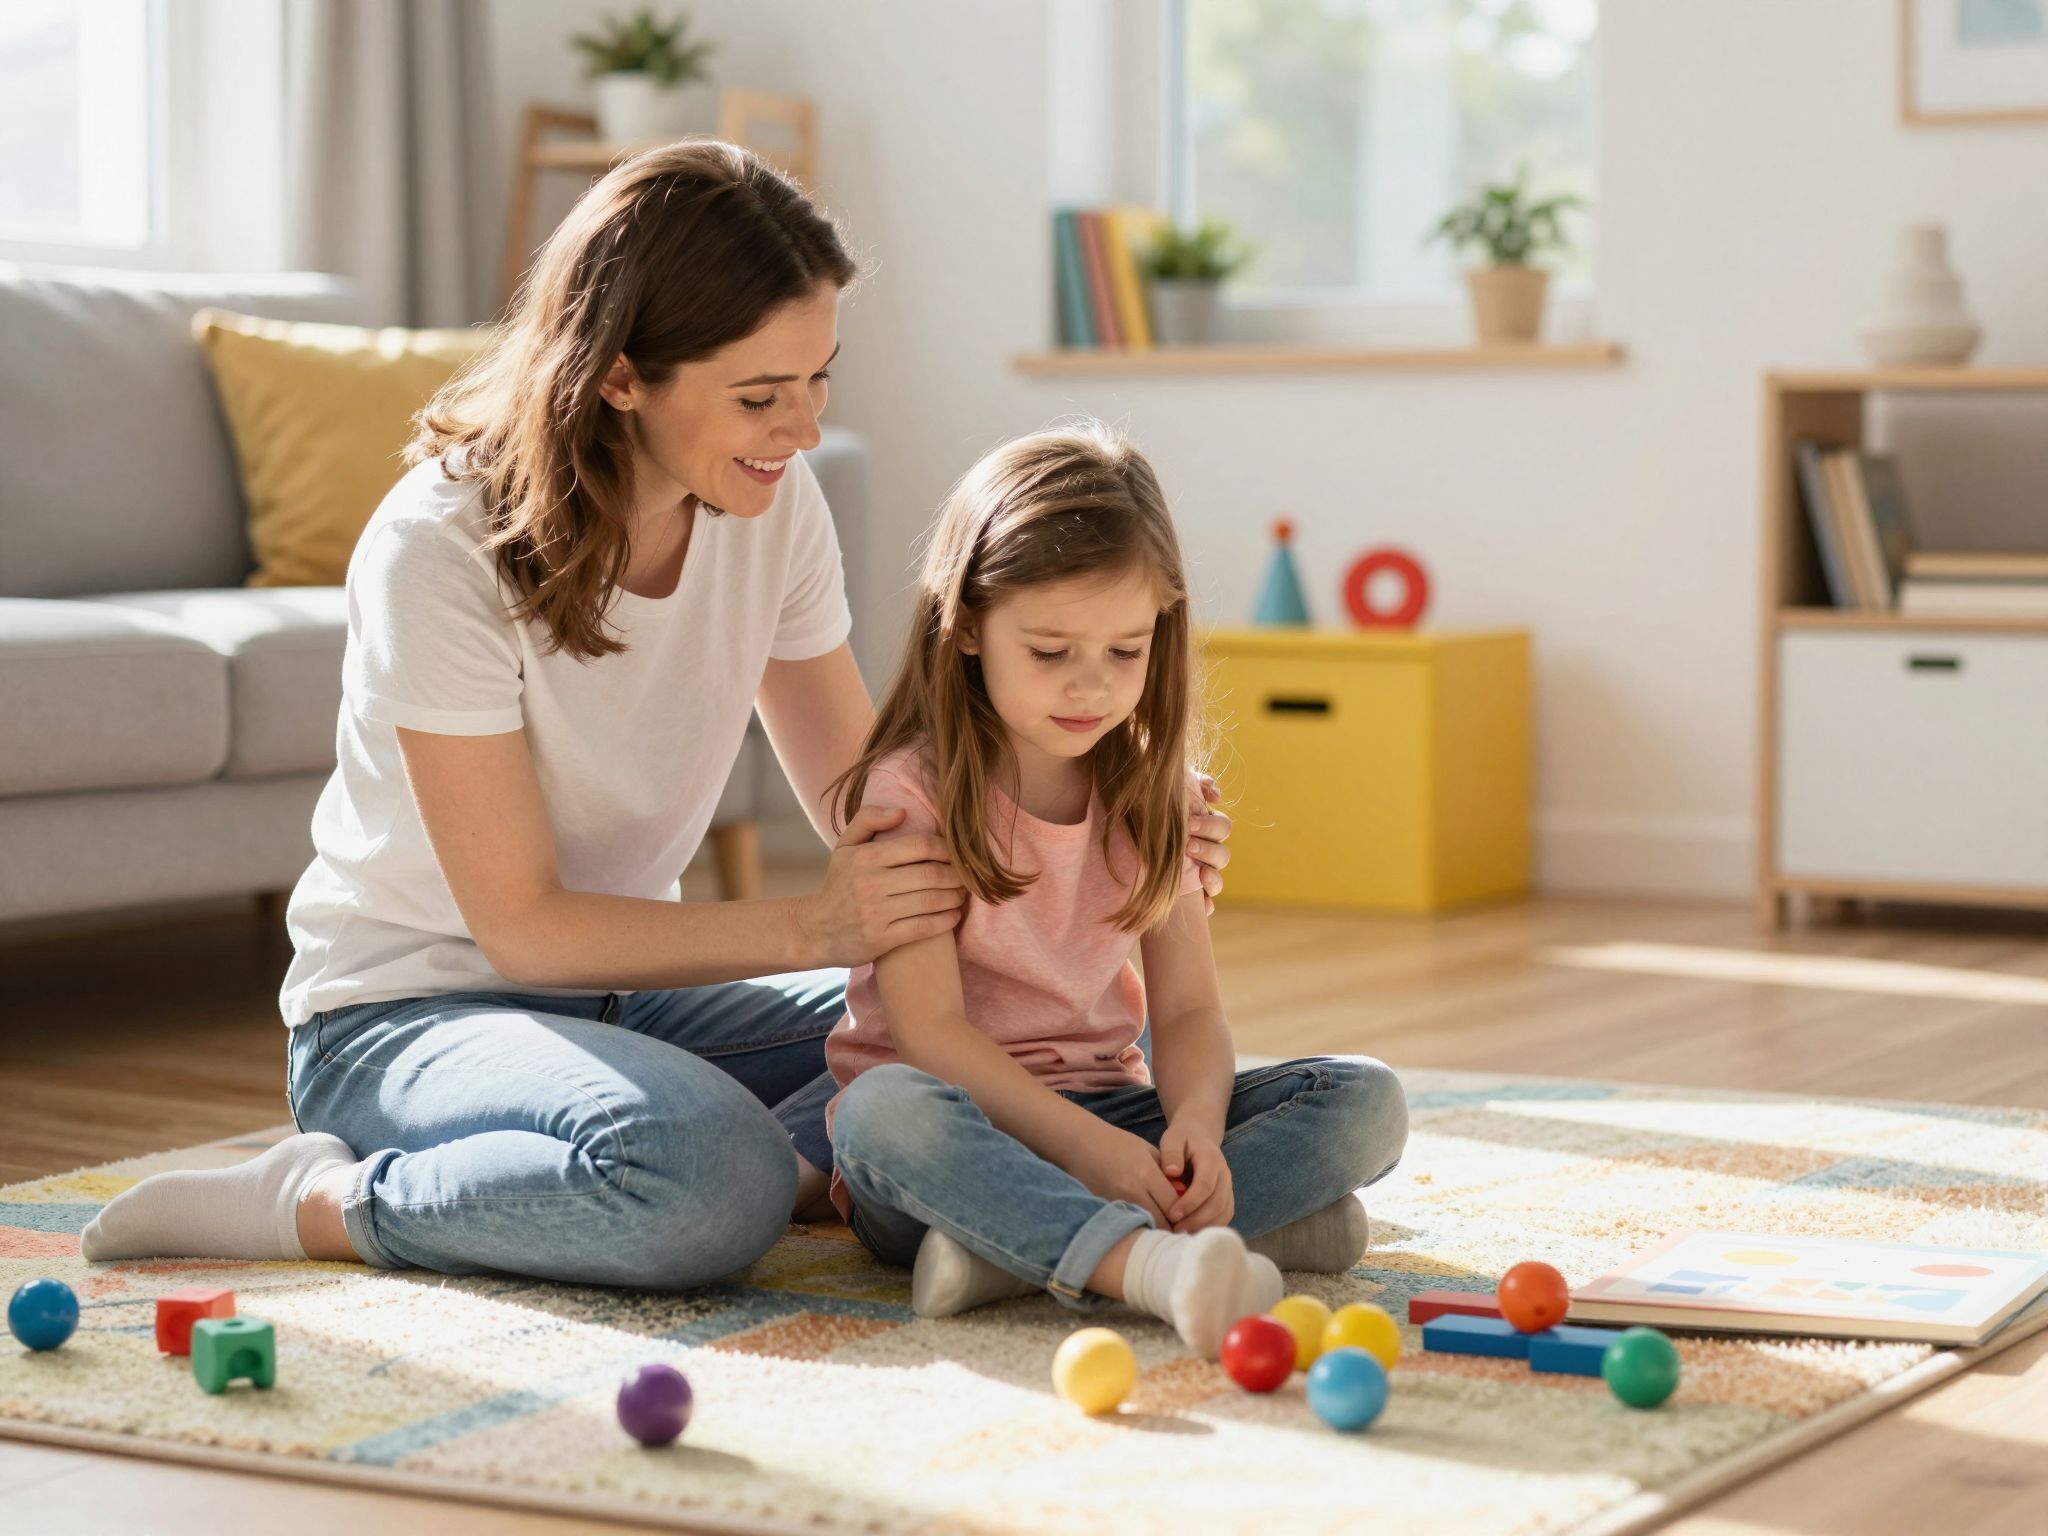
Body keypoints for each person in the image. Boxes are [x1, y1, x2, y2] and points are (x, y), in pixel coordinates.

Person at [79, 142, 1234, 1288]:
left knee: (1028, 1036)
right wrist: (807, 930)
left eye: (817, 380)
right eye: (759, 396)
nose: (801, 429)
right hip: (409, 1015)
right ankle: (322, 1199)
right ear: (621, 375)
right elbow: (523, 932)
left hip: (635, 1002)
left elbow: (870, 806)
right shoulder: (439, 549)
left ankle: (836, 1183)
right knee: (707, 1179)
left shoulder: (773, 507)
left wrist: (1098, 835)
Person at [821, 423, 1409, 1358]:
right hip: (959, 1129)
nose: (1090, 688)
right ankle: (1157, 1261)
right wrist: (1092, 1154)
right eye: (1051, 652)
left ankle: (1017, 1247)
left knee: (1367, 1100)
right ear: (967, 624)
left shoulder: (1154, 793)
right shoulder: (910, 798)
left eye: (1125, 652)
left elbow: (1188, 1011)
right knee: (879, 1112)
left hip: (1113, 1110)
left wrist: (1197, 1128)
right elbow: (930, 1037)